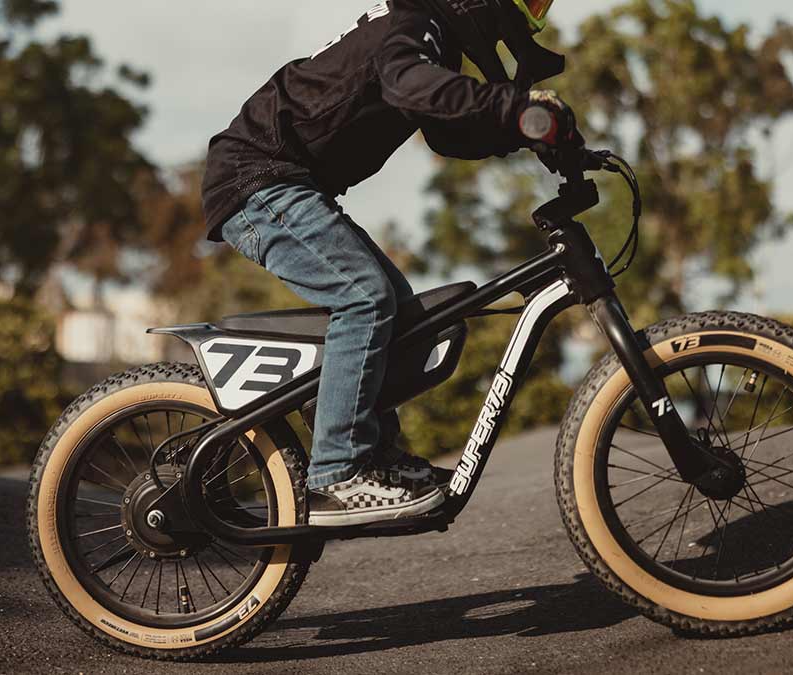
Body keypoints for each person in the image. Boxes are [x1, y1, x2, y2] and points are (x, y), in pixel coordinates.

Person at [201, 0, 569, 526]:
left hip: (284, 181)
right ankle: (337, 473)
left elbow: (449, 132)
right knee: (365, 298)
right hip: (260, 179)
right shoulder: (418, 22)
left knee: (398, 311)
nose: (530, 13)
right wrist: (512, 104)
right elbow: (409, 85)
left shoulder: (427, 33)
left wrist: (527, 129)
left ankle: (367, 448)